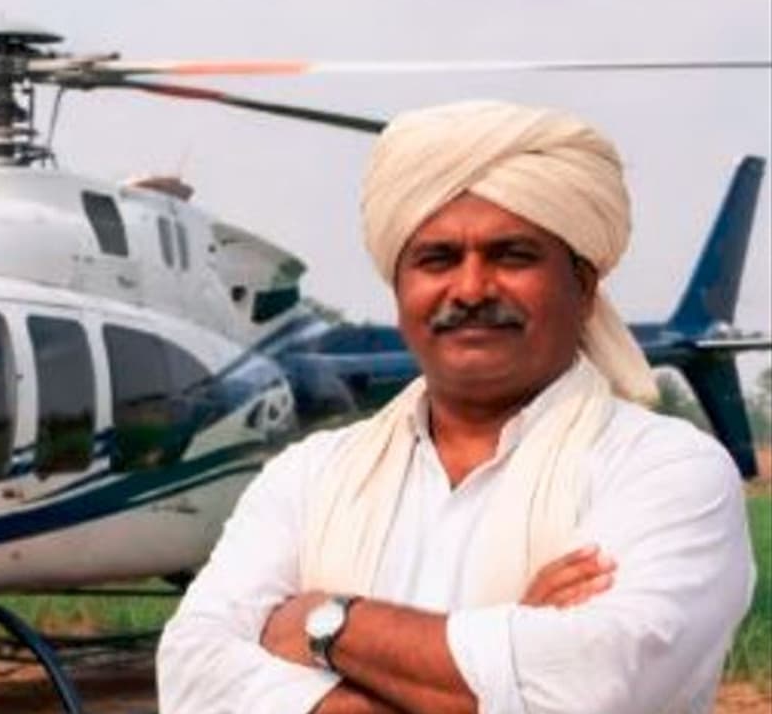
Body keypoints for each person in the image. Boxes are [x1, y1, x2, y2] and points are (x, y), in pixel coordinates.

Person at [156, 101, 754, 714]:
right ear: (399, 288)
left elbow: (595, 685)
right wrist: (503, 658)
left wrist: (322, 625)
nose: (470, 289)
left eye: (512, 255)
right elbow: (190, 670)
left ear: (584, 285)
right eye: (437, 260)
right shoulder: (307, 478)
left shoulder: (666, 470)